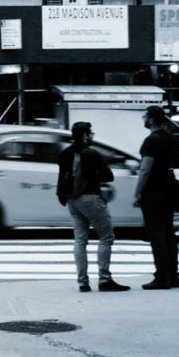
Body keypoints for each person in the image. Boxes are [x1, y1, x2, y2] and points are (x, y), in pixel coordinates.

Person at [56, 123, 129, 293]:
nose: (93, 136)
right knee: (106, 237)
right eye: (91, 133)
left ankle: (83, 282)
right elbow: (108, 176)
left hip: (72, 200)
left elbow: (61, 178)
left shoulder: (65, 153)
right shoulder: (91, 153)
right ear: (85, 135)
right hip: (90, 198)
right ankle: (104, 279)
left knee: (80, 240)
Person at [134, 106, 179, 290]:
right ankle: (174, 275)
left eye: (145, 116)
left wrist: (137, 192)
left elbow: (145, 169)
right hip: (170, 188)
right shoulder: (171, 138)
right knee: (169, 233)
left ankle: (162, 277)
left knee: (156, 234)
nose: (143, 120)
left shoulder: (150, 141)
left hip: (153, 191)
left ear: (152, 120)